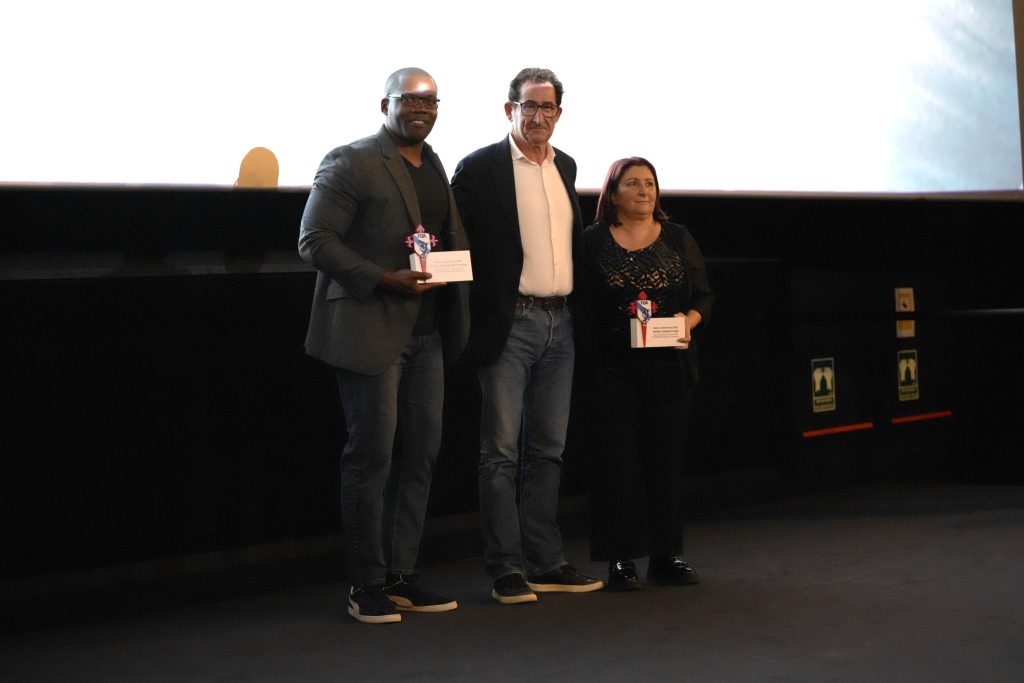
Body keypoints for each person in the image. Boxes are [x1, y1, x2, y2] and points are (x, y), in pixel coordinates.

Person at [298, 67, 469, 624]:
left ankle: (400, 575)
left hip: (427, 335)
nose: (421, 109)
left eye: (430, 100)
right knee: (371, 459)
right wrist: (382, 278)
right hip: (371, 330)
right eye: (409, 99)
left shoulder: (434, 162)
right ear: (385, 104)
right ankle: (365, 583)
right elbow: (313, 240)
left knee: (420, 457)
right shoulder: (351, 160)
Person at [451, 67, 603, 604]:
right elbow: (455, 243)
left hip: (562, 324)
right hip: (509, 324)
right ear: (509, 109)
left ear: (559, 114)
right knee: (499, 452)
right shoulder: (480, 167)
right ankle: (506, 569)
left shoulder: (566, 166)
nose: (539, 117)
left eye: (548, 107)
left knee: (549, 451)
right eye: (529, 106)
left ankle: (546, 560)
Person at [581, 157, 714, 591]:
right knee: (618, 465)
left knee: (665, 461)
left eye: (650, 184)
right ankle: (620, 559)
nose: (644, 191)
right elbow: (583, 305)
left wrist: (687, 322)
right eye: (633, 183)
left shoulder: (677, 236)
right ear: (613, 193)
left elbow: (703, 297)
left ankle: (665, 556)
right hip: (613, 369)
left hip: (670, 368)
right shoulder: (592, 240)